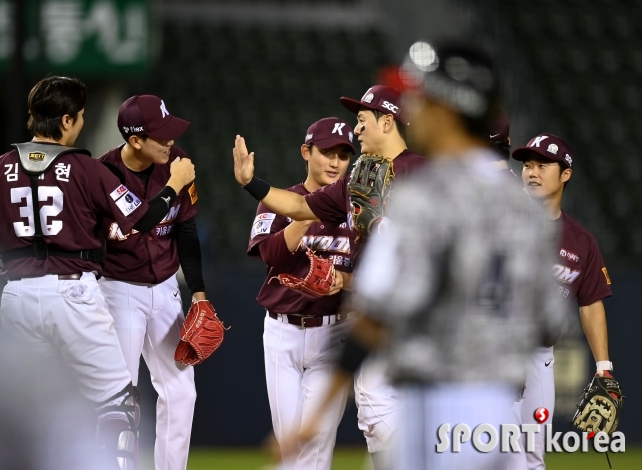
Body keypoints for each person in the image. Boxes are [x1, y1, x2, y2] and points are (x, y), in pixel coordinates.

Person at [282, 41, 566, 470]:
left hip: (435, 416)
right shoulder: (524, 208)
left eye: (422, 97)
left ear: (450, 109)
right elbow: (547, 323)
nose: (412, 108)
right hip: (498, 419)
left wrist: (316, 415)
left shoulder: (426, 196)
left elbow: (374, 317)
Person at [0, 76, 194, 470]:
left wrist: (15, 234)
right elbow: (144, 219)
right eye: (78, 117)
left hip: (16, 299)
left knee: (26, 407)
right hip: (72, 294)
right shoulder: (85, 169)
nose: (80, 123)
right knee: (117, 403)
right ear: (66, 121)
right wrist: (175, 186)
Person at [234, 85, 425, 466]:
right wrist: (250, 184)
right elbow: (301, 205)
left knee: (389, 422)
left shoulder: (422, 173)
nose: (356, 131)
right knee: (373, 419)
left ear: (387, 122)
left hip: (410, 320)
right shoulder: (360, 177)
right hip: (365, 319)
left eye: (361, 121)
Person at [97, 94, 206, 470]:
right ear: (135, 140)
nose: (171, 142)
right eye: (161, 136)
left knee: (181, 393)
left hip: (165, 288)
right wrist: (174, 184)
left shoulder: (175, 162)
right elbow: (141, 219)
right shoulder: (104, 173)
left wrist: (200, 294)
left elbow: (186, 230)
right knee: (121, 395)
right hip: (117, 289)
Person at [247, 117, 355, 470]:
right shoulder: (279, 201)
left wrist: (344, 281)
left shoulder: (359, 211)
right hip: (283, 332)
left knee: (317, 446)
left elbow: (373, 274)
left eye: (343, 154)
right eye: (326, 152)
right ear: (306, 152)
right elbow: (272, 258)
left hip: (334, 332)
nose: (335, 162)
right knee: (288, 444)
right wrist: (309, 212)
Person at [508, 133, 614, 470]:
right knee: (493, 453)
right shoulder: (500, 218)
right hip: (495, 351)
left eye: (542, 165)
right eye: (527, 165)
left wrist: (603, 367)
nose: (532, 172)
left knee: (533, 458)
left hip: (540, 359)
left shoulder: (580, 241)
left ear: (565, 174)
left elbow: (590, 302)